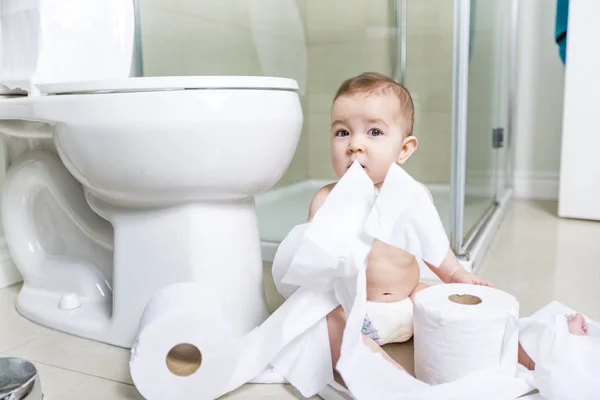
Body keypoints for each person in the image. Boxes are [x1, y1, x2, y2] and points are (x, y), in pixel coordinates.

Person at [306, 72, 588, 373]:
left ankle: (534, 356)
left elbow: (434, 250)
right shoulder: (326, 201)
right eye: (342, 132)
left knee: (460, 306)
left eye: (373, 132)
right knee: (329, 322)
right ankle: (388, 378)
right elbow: (316, 272)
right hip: (360, 311)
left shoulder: (414, 195)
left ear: (404, 149)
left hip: (412, 302)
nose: (354, 145)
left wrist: (456, 275)